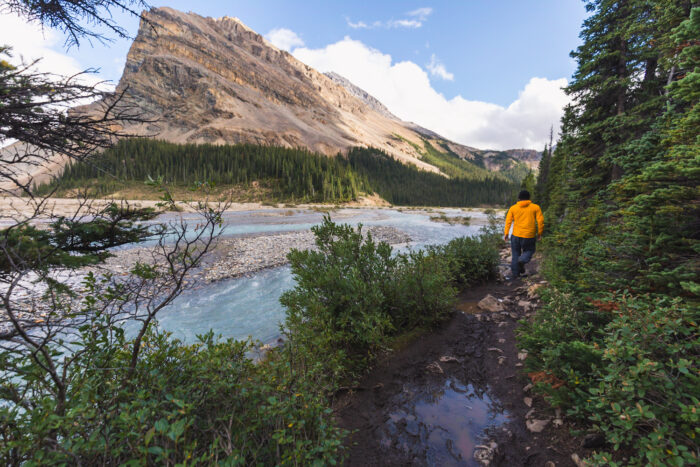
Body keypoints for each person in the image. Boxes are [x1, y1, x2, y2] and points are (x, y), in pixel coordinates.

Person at [503, 190, 544, 281]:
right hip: (529, 235)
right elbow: (540, 221)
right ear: (529, 198)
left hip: (516, 235)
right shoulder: (535, 207)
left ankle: (516, 275)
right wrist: (540, 233)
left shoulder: (513, 208)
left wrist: (506, 233)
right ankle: (523, 260)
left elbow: (508, 221)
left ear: (519, 198)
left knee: (515, 254)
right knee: (529, 250)